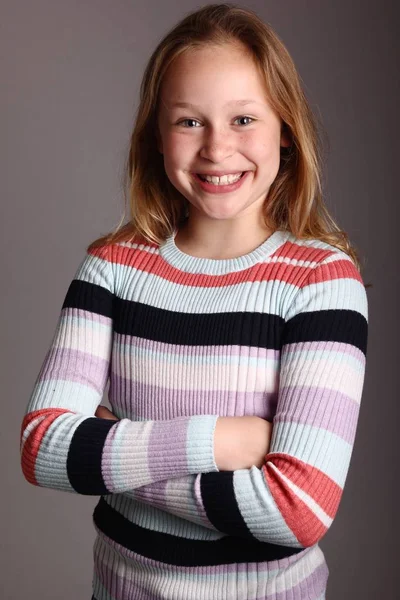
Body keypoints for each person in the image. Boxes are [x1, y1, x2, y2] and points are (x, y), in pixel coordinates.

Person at [20, 3, 368, 599]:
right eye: (188, 121)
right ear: (156, 136)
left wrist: (116, 449)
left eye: (242, 119)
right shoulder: (113, 266)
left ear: (285, 130)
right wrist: (225, 441)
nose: (216, 148)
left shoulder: (321, 280)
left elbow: (297, 510)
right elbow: (45, 448)